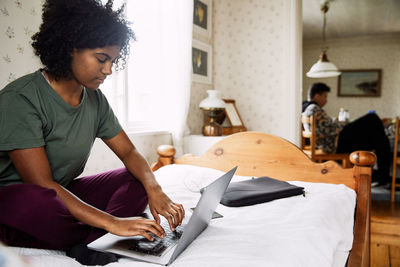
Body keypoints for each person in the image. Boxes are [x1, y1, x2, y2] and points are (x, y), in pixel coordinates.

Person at [0, 0, 184, 265]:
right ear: (69, 48)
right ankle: (98, 235)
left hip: (59, 193)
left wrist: (154, 188)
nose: (108, 70)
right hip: (20, 199)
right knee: (39, 200)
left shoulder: (95, 100)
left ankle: (87, 240)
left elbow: (129, 152)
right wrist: (113, 221)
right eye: (101, 59)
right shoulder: (20, 99)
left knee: (134, 178)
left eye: (113, 60)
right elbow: (41, 183)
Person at [302, 83, 391, 186]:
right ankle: (382, 176)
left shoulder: (306, 107)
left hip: (331, 142)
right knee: (372, 118)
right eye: (325, 96)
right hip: (334, 144)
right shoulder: (313, 108)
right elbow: (328, 129)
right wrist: (341, 124)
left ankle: (381, 176)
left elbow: (323, 127)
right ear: (317, 96)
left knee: (378, 138)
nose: (326, 100)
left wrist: (336, 122)